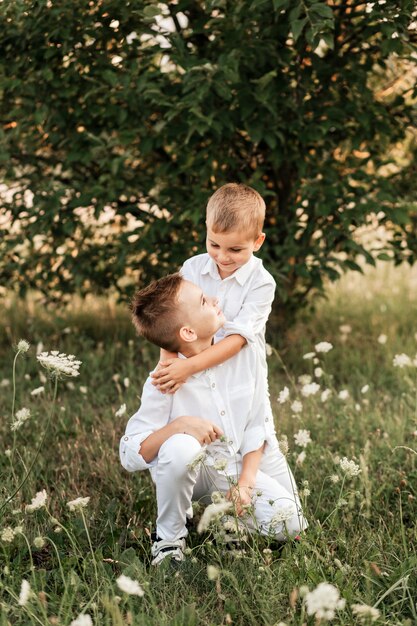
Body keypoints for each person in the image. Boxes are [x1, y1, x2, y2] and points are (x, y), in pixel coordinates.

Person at [120, 273, 306, 566]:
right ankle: (169, 538)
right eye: (205, 301)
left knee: (291, 521)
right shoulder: (165, 378)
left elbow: (256, 426)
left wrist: (245, 483)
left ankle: (221, 518)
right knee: (182, 447)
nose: (216, 300)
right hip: (186, 471)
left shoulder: (242, 359)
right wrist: (179, 426)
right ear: (189, 333)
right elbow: (131, 454)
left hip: (229, 470)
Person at [151, 183, 275, 437]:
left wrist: (189, 367)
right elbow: (172, 316)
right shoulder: (193, 268)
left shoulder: (261, 282)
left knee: (248, 436)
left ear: (258, 241)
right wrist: (170, 366)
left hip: (239, 371)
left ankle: (247, 476)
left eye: (235, 249)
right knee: (201, 433)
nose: (222, 256)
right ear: (206, 231)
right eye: (214, 244)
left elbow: (238, 340)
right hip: (192, 369)